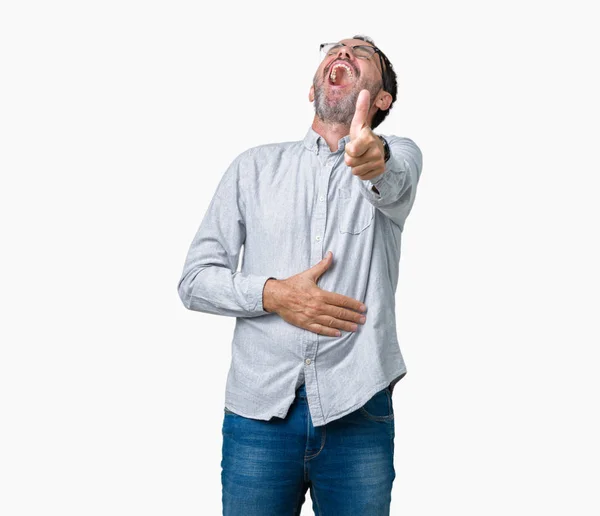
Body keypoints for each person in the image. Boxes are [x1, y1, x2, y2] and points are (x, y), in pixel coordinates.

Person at [177, 34, 423, 515]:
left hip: (358, 409)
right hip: (257, 417)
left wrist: (373, 155)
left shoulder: (399, 156)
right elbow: (194, 280)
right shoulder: (252, 168)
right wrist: (272, 295)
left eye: (362, 53)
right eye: (335, 49)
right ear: (313, 90)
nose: (343, 54)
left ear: (382, 99)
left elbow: (392, 178)